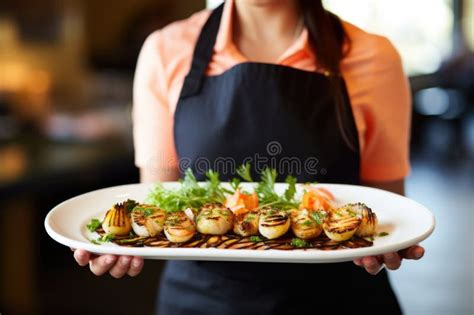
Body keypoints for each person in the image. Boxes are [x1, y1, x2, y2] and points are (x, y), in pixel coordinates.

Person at [73, 0, 425, 313]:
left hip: (342, 298)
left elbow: (387, 205)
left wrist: (389, 243)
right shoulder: (165, 49)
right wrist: (127, 241)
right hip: (202, 299)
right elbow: (158, 199)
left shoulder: (374, 56)